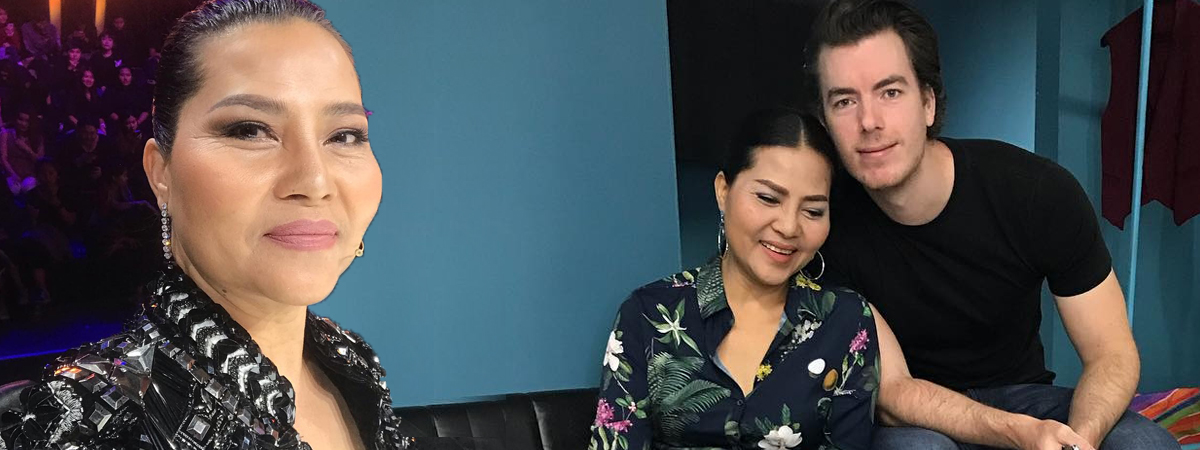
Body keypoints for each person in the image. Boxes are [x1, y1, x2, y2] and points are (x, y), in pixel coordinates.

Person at [0, 0, 410, 448]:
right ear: (161, 173)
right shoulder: (84, 423)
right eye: (250, 130)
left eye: (345, 135)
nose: (314, 181)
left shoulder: (352, 362)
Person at [805, 1, 1179, 449]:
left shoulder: (1035, 191)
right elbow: (895, 391)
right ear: (826, 122)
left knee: (1143, 442)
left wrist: (1079, 441)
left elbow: (1111, 353)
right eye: (845, 101)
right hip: (917, 416)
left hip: (1024, 396)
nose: (869, 122)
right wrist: (1018, 434)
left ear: (927, 103)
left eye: (890, 92)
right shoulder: (824, 225)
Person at [590, 109, 884, 450]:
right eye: (768, 198)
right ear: (723, 190)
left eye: (813, 211)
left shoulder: (846, 320)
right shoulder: (648, 314)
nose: (789, 227)